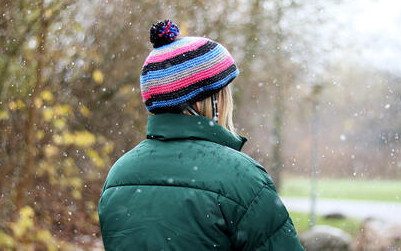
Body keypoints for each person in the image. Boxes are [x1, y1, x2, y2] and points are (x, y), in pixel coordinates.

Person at [98, 20, 305, 251]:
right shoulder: (242, 178)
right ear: (204, 100)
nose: (230, 101)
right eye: (225, 90)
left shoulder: (119, 176)